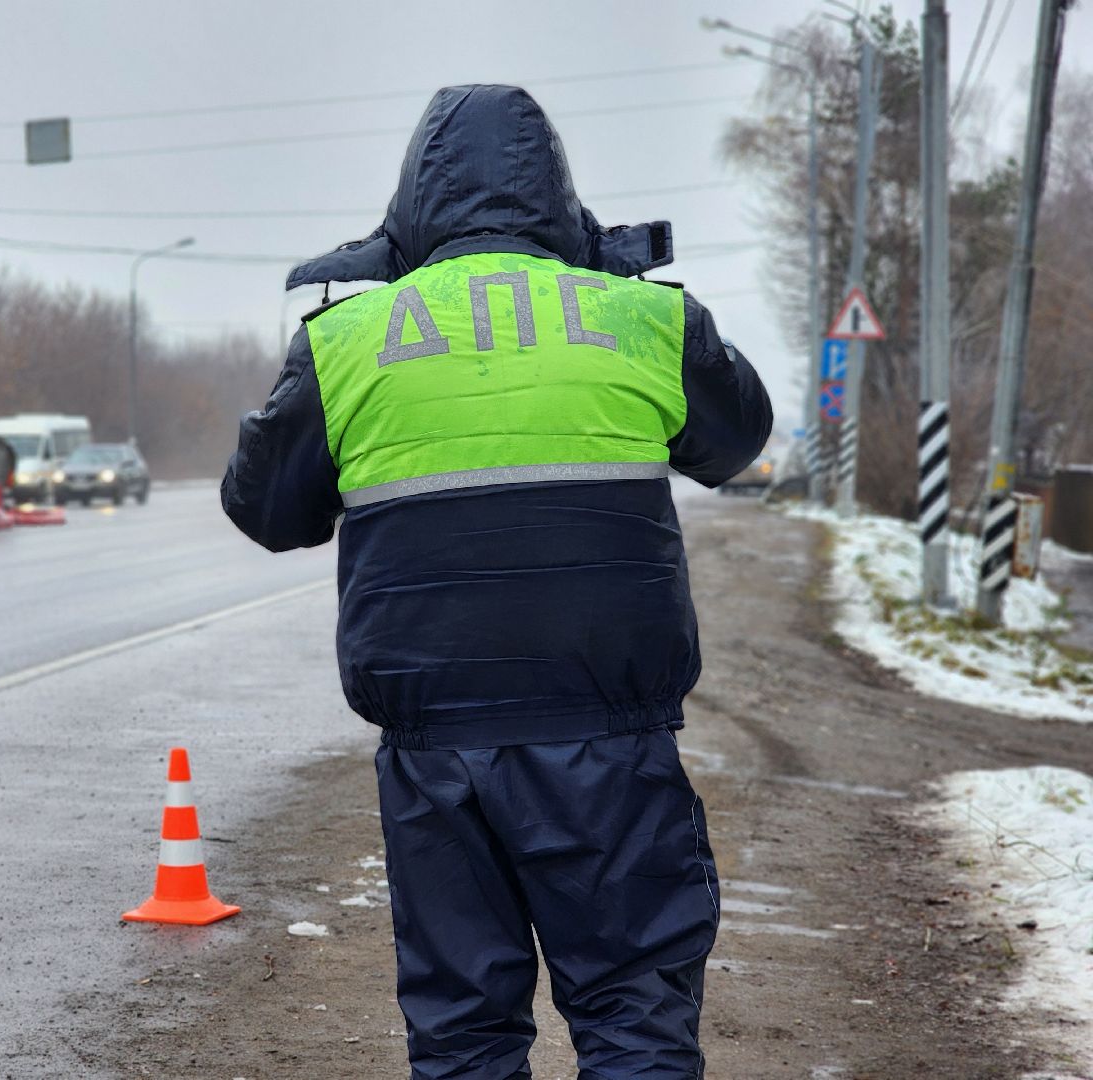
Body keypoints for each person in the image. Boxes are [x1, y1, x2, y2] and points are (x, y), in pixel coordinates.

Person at [221, 84, 772, 1080]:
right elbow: (736, 443)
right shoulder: (643, 319)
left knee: (464, 1028)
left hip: (436, 763)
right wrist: (607, 272)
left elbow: (264, 509)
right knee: (631, 1012)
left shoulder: (346, 341)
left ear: (409, 209)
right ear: (560, 201)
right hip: (610, 749)